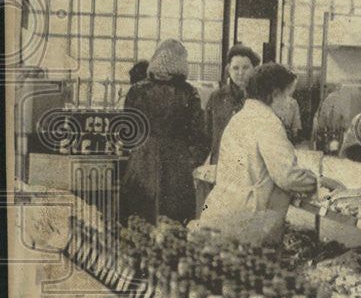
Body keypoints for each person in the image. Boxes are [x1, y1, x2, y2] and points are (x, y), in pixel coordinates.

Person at [196, 63, 317, 247]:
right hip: (247, 220)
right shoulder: (268, 123)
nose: (290, 103)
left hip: (221, 211)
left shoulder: (240, 118)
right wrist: (319, 182)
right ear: (275, 94)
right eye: (289, 96)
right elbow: (287, 176)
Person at [120, 39, 209, 225]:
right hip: (177, 165)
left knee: (139, 223)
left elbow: (126, 132)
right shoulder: (188, 92)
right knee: (174, 226)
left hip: (142, 164)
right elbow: (200, 135)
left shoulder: (137, 91)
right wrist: (190, 159)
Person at [204, 44, 260, 164]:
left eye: (245, 68)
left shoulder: (261, 98)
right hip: (221, 163)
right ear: (228, 70)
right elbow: (206, 134)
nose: (240, 73)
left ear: (254, 69)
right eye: (235, 68)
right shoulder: (217, 97)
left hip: (250, 165)